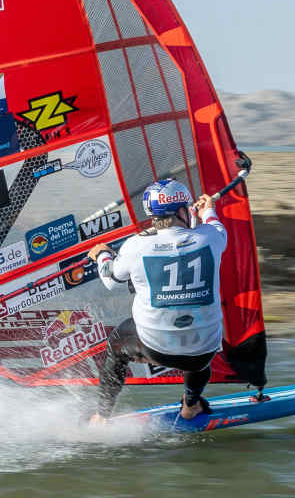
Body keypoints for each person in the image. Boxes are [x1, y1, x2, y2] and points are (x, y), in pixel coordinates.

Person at [86, 178, 228, 424]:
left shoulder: (136, 246)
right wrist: (207, 210)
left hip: (155, 347)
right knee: (199, 347)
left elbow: (110, 279)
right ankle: (191, 404)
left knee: (116, 348)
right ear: (183, 211)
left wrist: (103, 255)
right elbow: (213, 223)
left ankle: (102, 416)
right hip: (204, 351)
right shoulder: (212, 237)